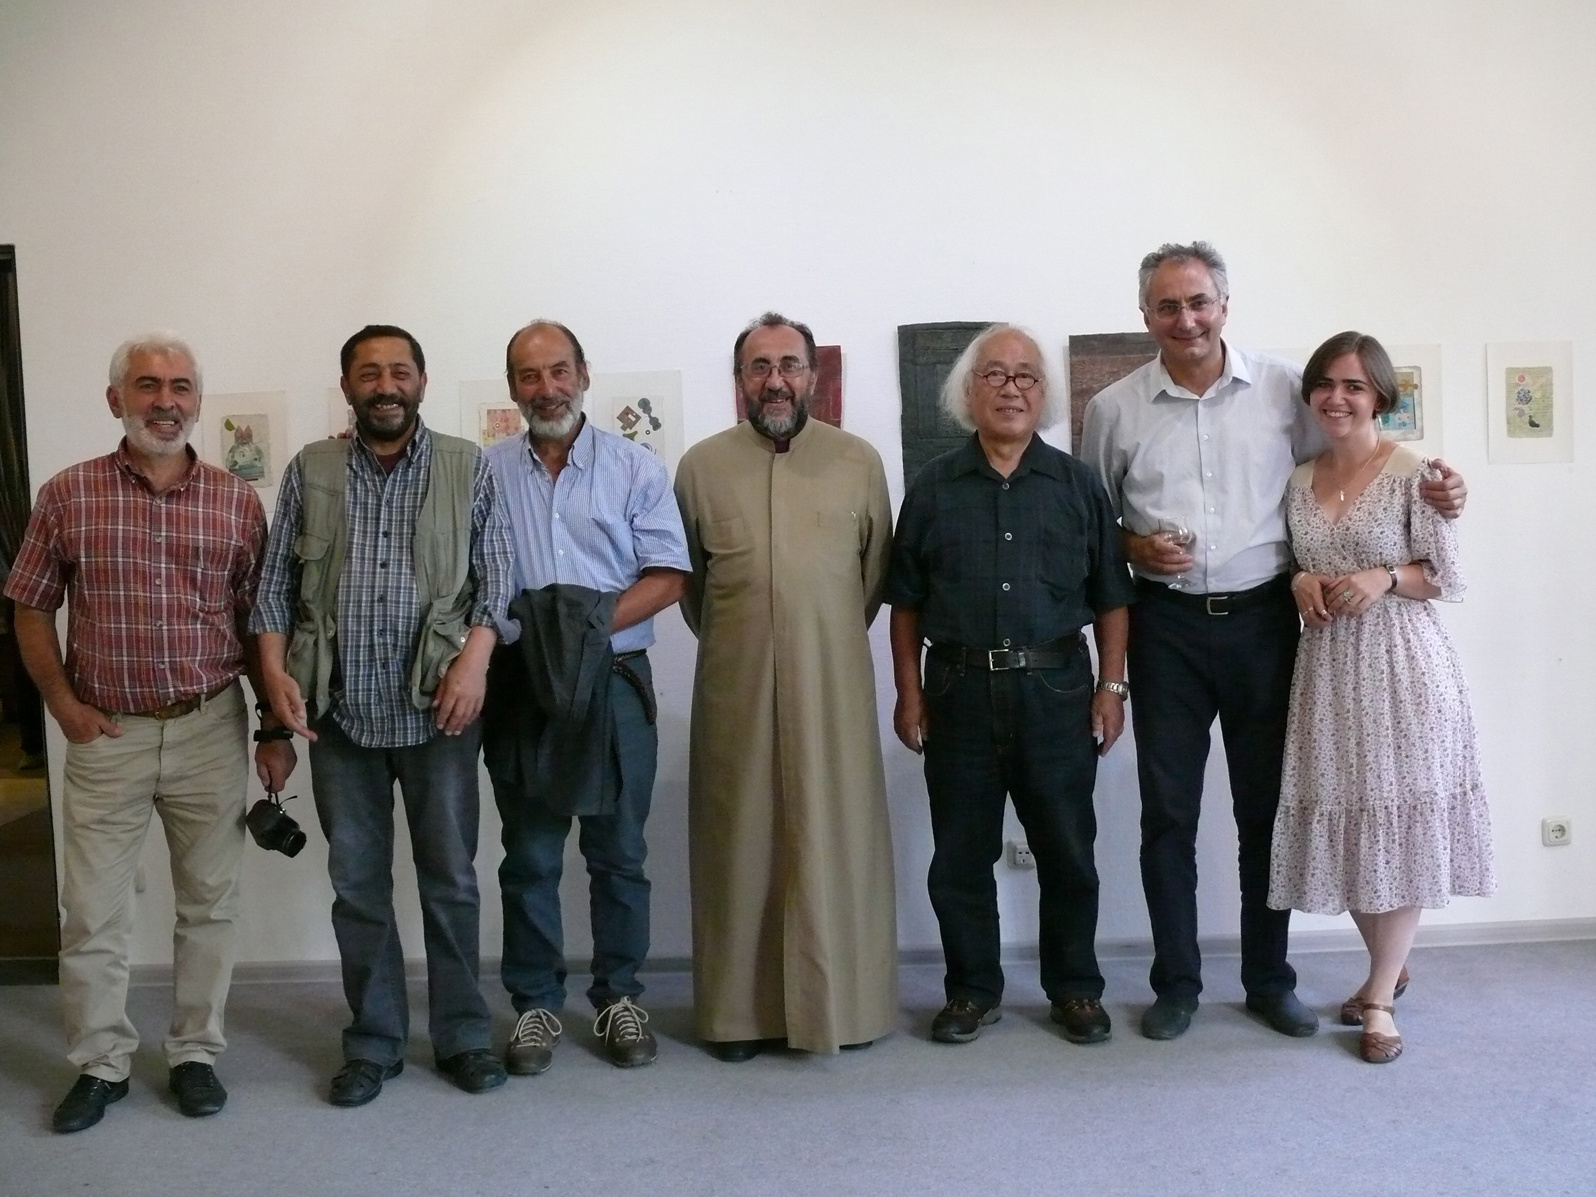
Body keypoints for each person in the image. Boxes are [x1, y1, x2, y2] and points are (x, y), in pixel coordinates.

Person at [1080, 242, 1467, 1042]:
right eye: (1167, 305)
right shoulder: (1114, 408)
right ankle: (1177, 984)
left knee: (1267, 810)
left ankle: (1267, 979)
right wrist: (1134, 545)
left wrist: (1441, 492)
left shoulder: (1288, 389)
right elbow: (1094, 527)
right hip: (1165, 627)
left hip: (1265, 623)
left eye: (1199, 302)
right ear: (1145, 315)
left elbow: (1343, 480)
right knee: (1168, 815)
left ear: (1224, 305)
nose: (1186, 318)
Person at [5, 333, 293, 1132]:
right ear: (115, 399)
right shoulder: (67, 494)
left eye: (180, 386)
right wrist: (61, 704)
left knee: (210, 904)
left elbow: (259, 624)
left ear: (197, 400)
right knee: (91, 912)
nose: (165, 400)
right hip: (107, 735)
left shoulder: (237, 502)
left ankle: (195, 1052)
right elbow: (29, 605)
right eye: (147, 384)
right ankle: (100, 1062)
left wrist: (273, 728)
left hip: (209, 727)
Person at [251, 324, 514, 1105]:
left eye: (400, 371)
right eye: (369, 373)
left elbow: (498, 582)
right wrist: (274, 680)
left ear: (422, 382)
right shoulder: (312, 468)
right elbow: (273, 588)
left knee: (451, 881)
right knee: (358, 885)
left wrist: (474, 661)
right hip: (339, 718)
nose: (386, 385)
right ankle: (374, 1039)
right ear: (348, 388)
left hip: (440, 716)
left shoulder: (467, 465)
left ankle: (463, 1034)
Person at [887, 325, 1136, 1046]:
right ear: (968, 392)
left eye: (1026, 376)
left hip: (1057, 692)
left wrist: (1112, 688)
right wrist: (908, 694)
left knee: (1068, 853)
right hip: (956, 692)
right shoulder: (932, 487)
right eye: (994, 375)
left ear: (1043, 393)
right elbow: (905, 604)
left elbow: (1112, 597)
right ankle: (972, 990)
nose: (1011, 389)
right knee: (959, 857)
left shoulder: (1078, 486)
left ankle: (1075, 988)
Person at [674, 312, 896, 1061]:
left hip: (832, 688)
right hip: (735, 689)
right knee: (738, 846)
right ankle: (738, 1017)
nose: (776, 380)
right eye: (760, 366)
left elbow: (872, 578)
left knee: (835, 841)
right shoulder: (700, 468)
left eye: (790, 365)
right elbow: (692, 590)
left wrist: (813, 635)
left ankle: (844, 1009)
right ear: (739, 379)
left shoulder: (858, 461)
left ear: (813, 375)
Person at [1269, 331, 1494, 1063]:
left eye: (1355, 386)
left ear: (1380, 397)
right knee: (1353, 825)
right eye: (1326, 383)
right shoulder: (1299, 480)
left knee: (1399, 823)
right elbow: (1293, 563)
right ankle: (1387, 970)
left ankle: (1378, 1000)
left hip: (1403, 668)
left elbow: (1447, 577)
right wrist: (1301, 580)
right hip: (1328, 672)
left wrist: (1387, 576)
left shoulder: (1414, 474)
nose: (1337, 398)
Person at [481, 320, 690, 1075]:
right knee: (530, 855)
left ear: (584, 374)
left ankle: (619, 997)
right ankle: (535, 1004)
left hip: (614, 682)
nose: (547, 388)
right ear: (513, 387)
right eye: (530, 375)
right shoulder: (486, 473)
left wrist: (585, 626)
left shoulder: (636, 467)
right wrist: (544, 638)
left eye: (559, 371)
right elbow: (474, 578)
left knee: (619, 852)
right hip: (522, 683)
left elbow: (668, 575)